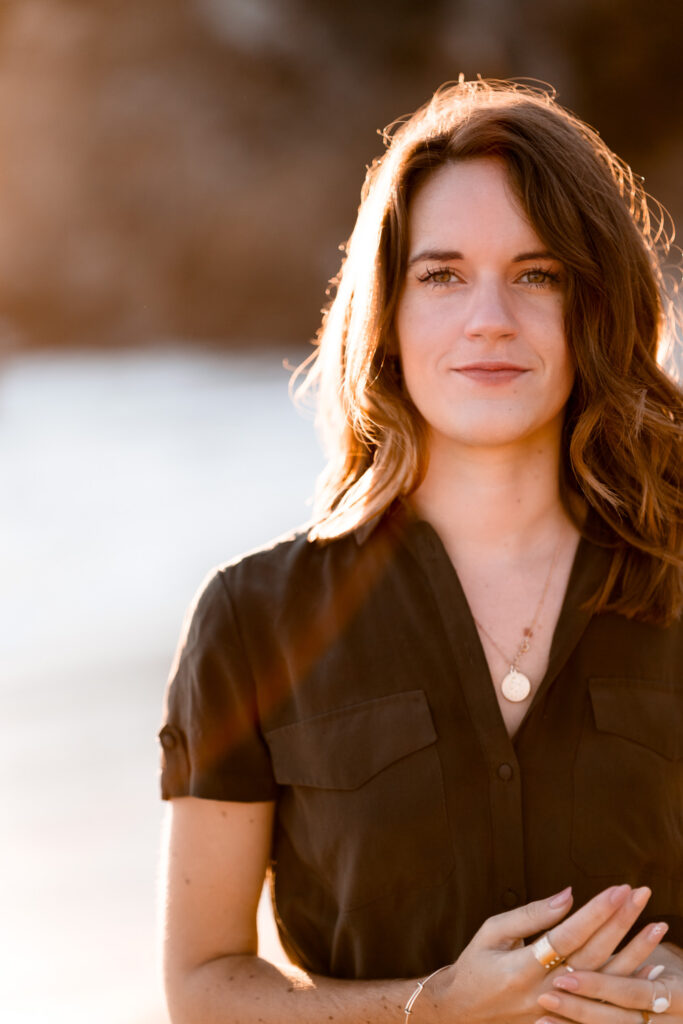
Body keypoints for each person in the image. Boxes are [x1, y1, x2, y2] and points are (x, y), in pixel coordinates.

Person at [157, 78, 683, 1024]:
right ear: (388, 316)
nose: (489, 317)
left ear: (594, 304)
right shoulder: (254, 618)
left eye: (539, 274)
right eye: (441, 275)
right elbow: (202, 985)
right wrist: (423, 1010)